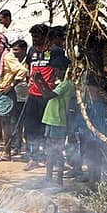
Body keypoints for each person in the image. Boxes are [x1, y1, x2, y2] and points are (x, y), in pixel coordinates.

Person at [34, 49, 72, 185]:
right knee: (50, 151)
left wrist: (38, 82)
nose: (54, 72)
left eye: (56, 70)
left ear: (62, 70)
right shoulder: (60, 83)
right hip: (50, 120)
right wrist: (40, 81)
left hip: (58, 121)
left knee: (57, 151)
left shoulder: (66, 84)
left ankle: (59, 181)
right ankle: (49, 178)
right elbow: (48, 93)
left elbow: (47, 95)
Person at [0, 42, 28, 161]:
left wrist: (12, 84)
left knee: (5, 124)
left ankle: (6, 152)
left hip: (6, 94)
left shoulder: (7, 56)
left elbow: (22, 70)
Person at [24, 23, 54, 168]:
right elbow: (28, 65)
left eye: (37, 37)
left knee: (46, 129)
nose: (34, 39)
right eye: (33, 37)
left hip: (47, 96)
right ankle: (34, 157)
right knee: (30, 127)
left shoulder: (54, 51)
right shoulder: (31, 51)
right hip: (32, 94)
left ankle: (48, 157)